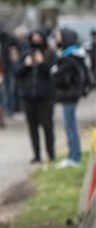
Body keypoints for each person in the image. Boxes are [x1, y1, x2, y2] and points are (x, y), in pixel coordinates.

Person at [52, 28, 92, 169]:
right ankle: (73, 155)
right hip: (70, 95)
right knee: (70, 126)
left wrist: (55, 71)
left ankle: (74, 157)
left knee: (70, 126)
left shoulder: (70, 58)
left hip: (69, 96)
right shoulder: (74, 55)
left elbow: (58, 76)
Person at [15, 29, 57, 165]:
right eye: (34, 38)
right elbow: (17, 73)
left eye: (39, 38)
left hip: (45, 97)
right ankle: (36, 154)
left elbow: (53, 73)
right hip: (29, 97)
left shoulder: (50, 54)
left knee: (47, 125)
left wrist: (42, 63)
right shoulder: (25, 54)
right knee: (32, 126)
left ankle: (51, 153)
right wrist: (26, 66)